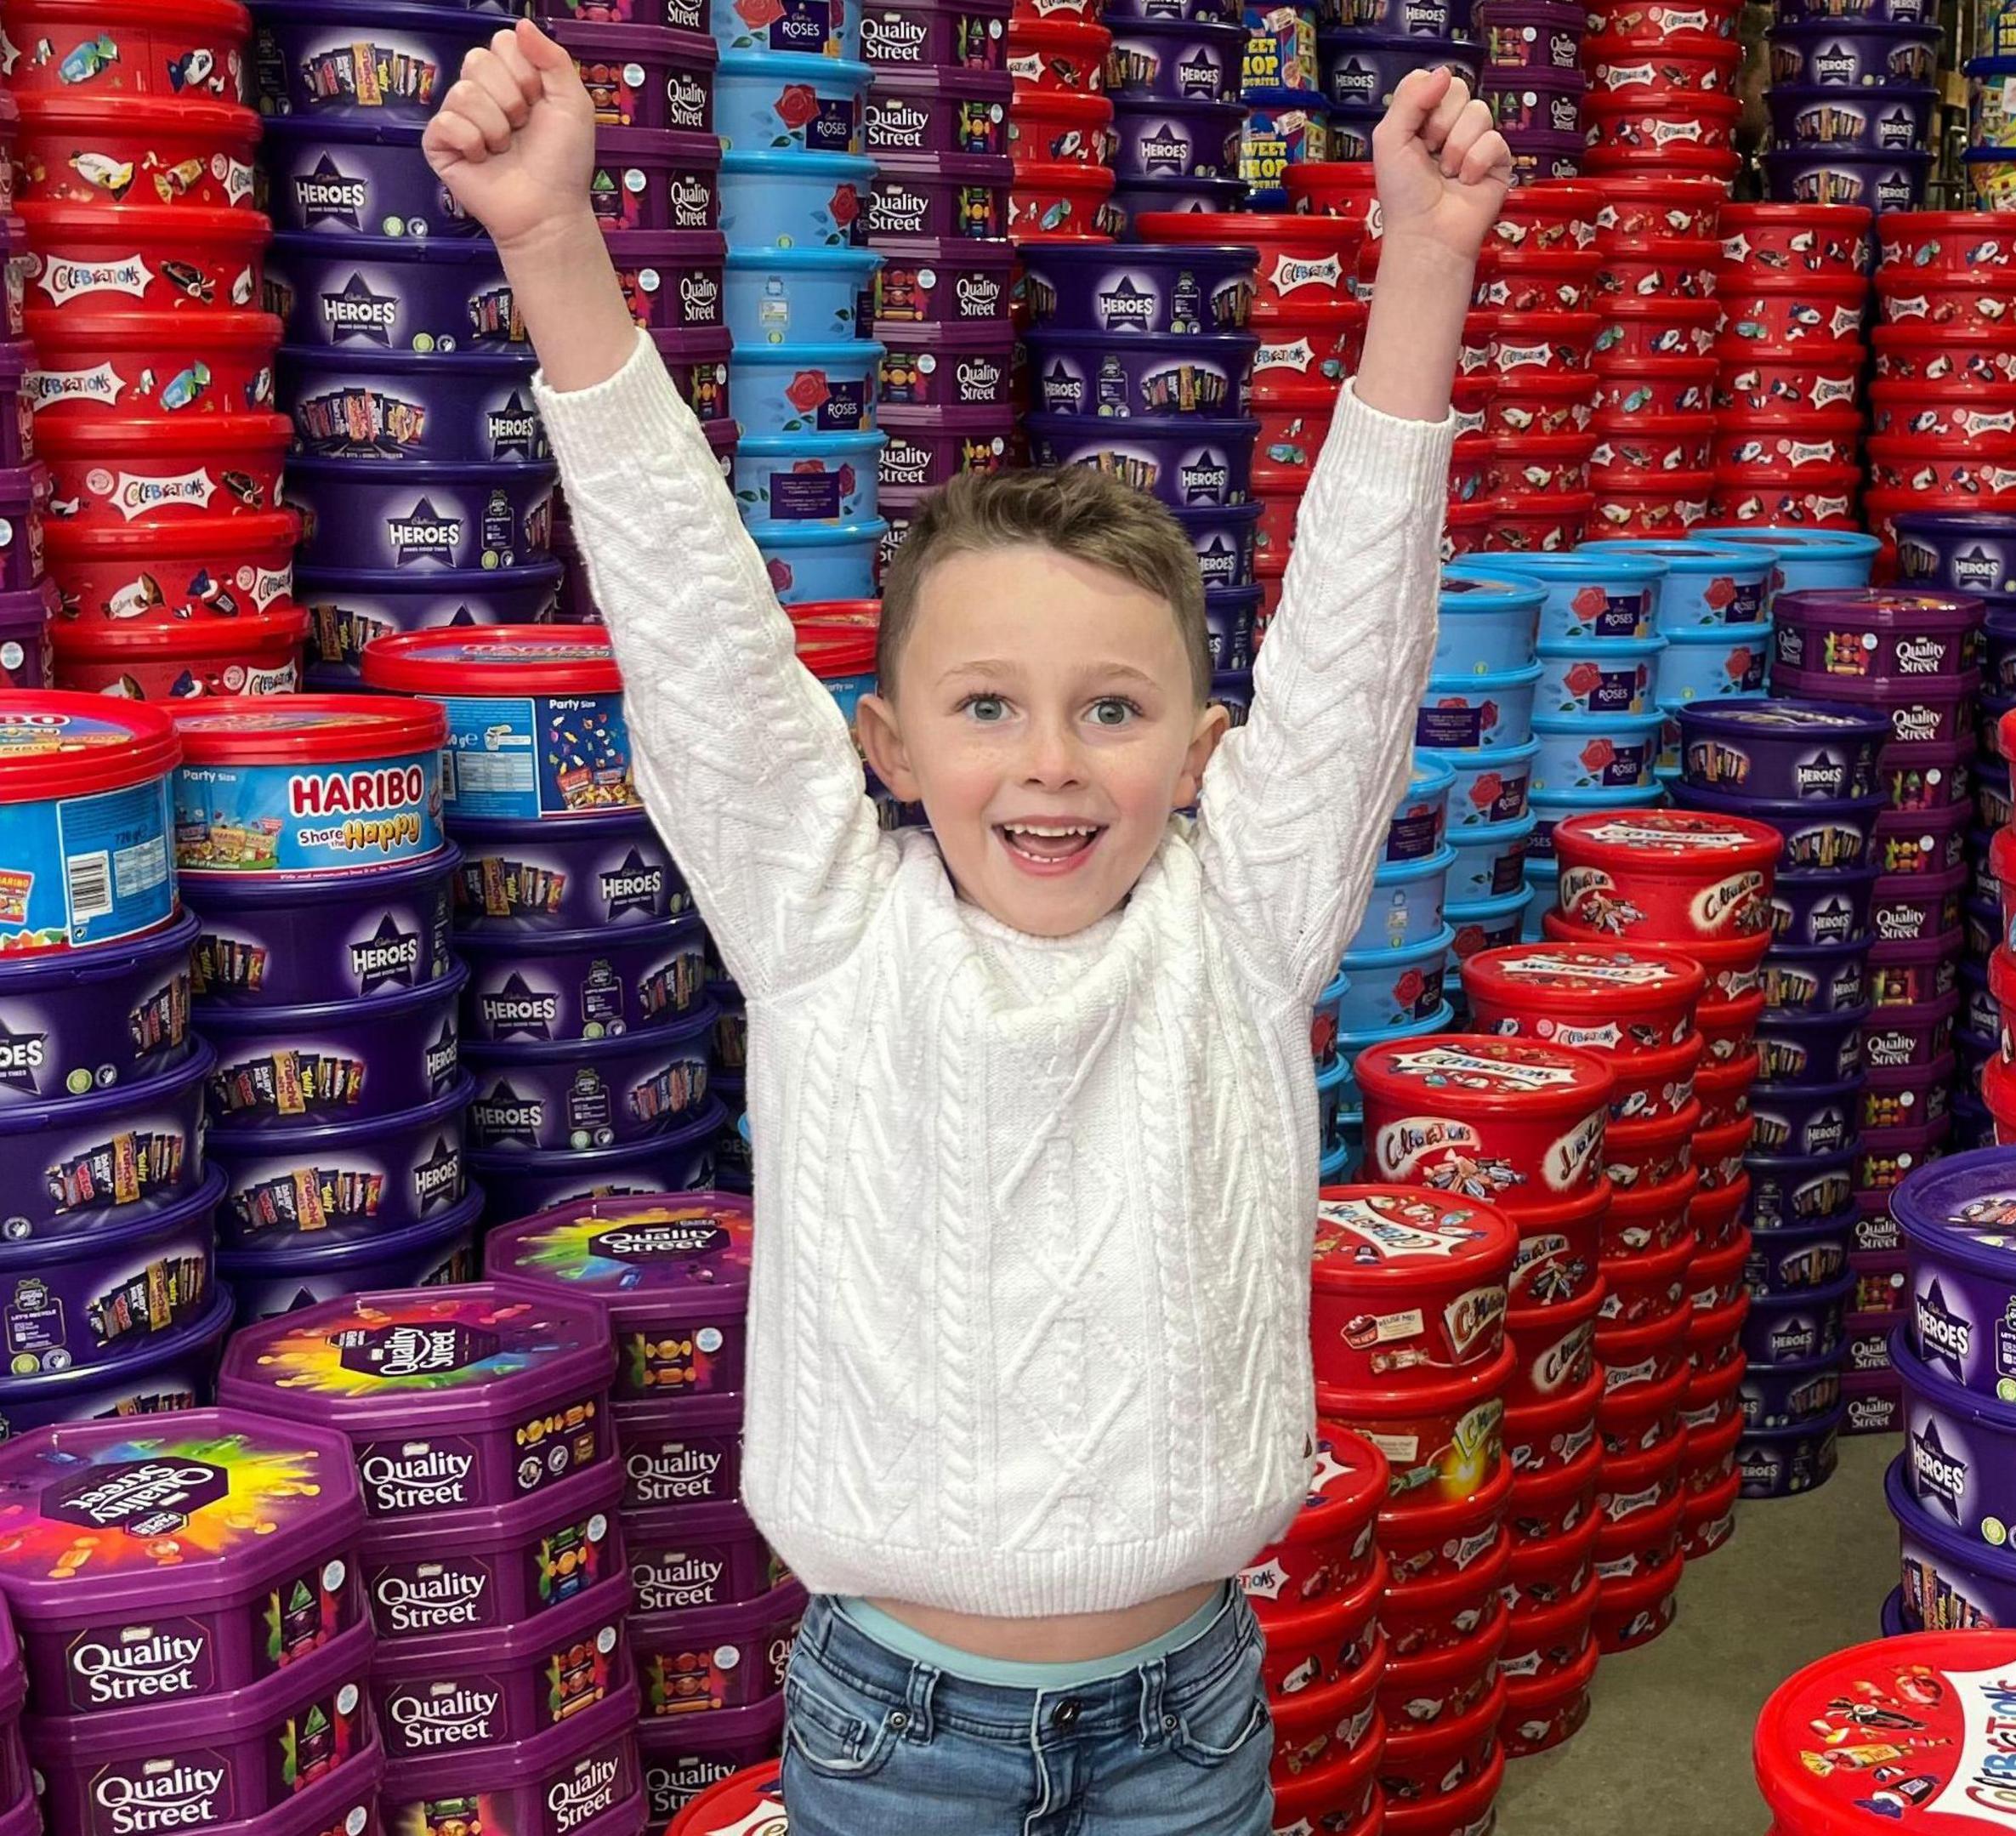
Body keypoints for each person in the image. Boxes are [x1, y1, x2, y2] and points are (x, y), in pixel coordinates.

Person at [423, 30, 1508, 1833]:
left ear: (1202, 752)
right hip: (891, 1725)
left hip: (1188, 1714)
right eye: (988, 708)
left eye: (1114, 708)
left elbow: (1353, 647)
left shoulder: (1240, 926)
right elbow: (694, 625)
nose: (1054, 763)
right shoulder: (828, 924)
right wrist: (552, 244)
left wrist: (1428, 262)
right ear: (889, 747)